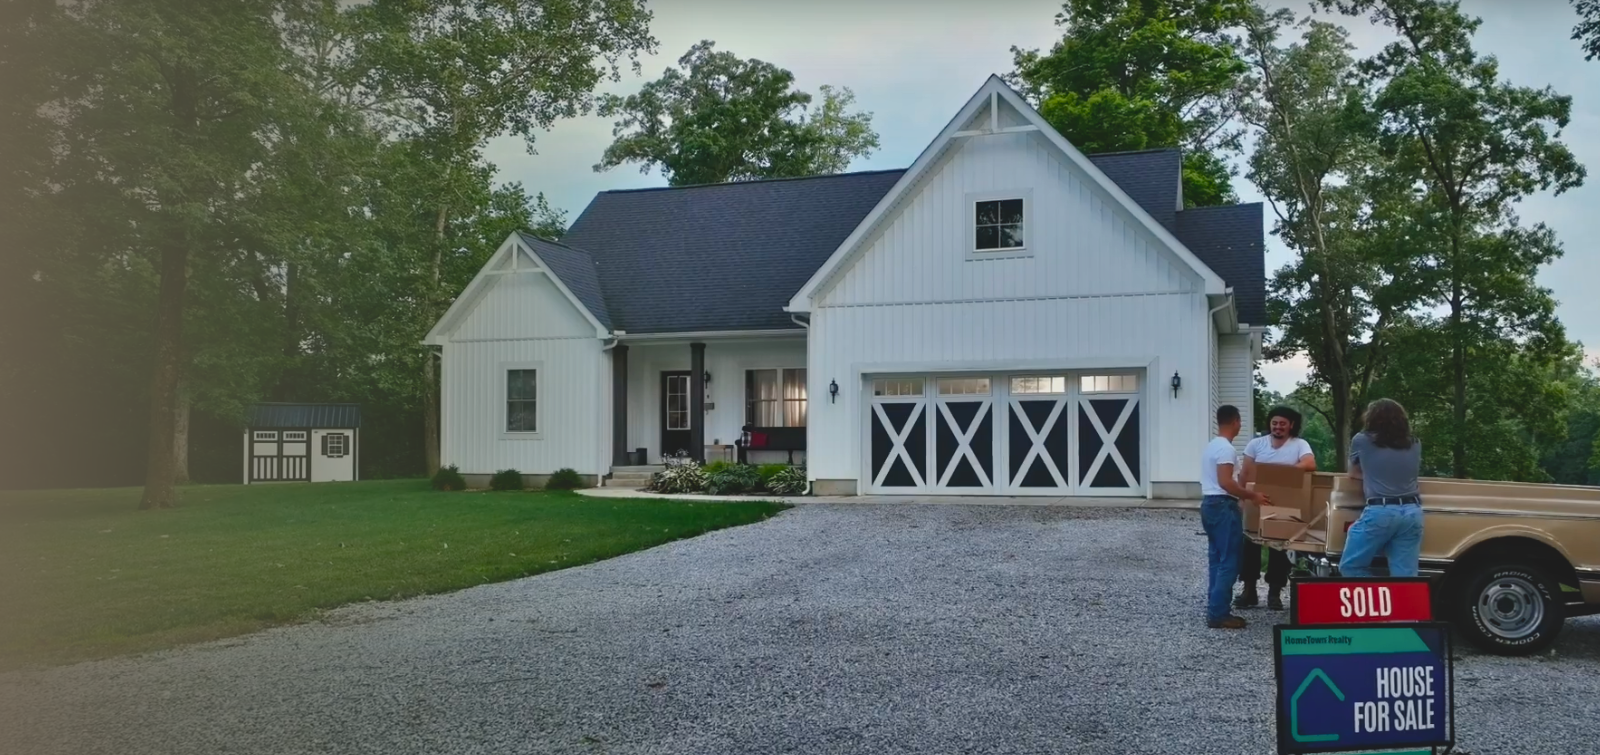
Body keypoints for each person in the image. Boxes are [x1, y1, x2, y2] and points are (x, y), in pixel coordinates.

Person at [1234, 406, 1316, 611]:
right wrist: (1242, 497)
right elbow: (1245, 473)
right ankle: (1249, 590)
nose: (1278, 427)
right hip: (1256, 500)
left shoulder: (1299, 444)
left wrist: (1281, 473)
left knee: (1279, 548)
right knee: (1250, 546)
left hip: (1285, 501)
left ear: (1291, 425)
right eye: (1274, 423)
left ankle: (1274, 593)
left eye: (1282, 423)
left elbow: (1310, 463)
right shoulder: (1256, 444)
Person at [1200, 404, 1269, 629]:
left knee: (1216, 558)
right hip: (1222, 505)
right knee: (1230, 560)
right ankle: (1219, 613)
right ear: (1236, 422)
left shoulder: (1211, 446)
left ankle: (1214, 604)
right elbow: (1226, 482)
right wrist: (1252, 495)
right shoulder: (1226, 449)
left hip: (1209, 503)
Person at [1340, 398, 1424, 577]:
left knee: (1351, 567)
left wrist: (1372, 474)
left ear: (1372, 418)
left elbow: (1353, 473)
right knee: (1406, 575)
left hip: (1381, 510)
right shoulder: (1415, 442)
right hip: (1413, 511)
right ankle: (1402, 603)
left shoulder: (1362, 440)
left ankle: (1379, 599)